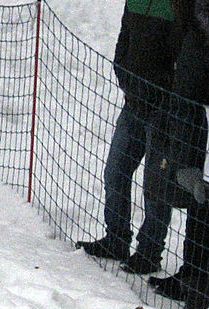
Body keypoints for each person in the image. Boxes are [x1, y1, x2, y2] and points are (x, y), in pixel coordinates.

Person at [75, 0, 180, 274]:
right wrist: (123, 74)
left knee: (155, 185)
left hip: (163, 108)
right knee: (115, 172)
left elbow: (181, 55)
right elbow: (124, 37)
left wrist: (162, 92)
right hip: (133, 102)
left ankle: (149, 252)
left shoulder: (179, 5)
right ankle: (117, 239)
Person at [148, 0, 209, 309]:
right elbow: (185, 96)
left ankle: (196, 297)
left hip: (195, 131)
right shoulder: (193, 32)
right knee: (201, 213)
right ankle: (191, 282)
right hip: (197, 137)